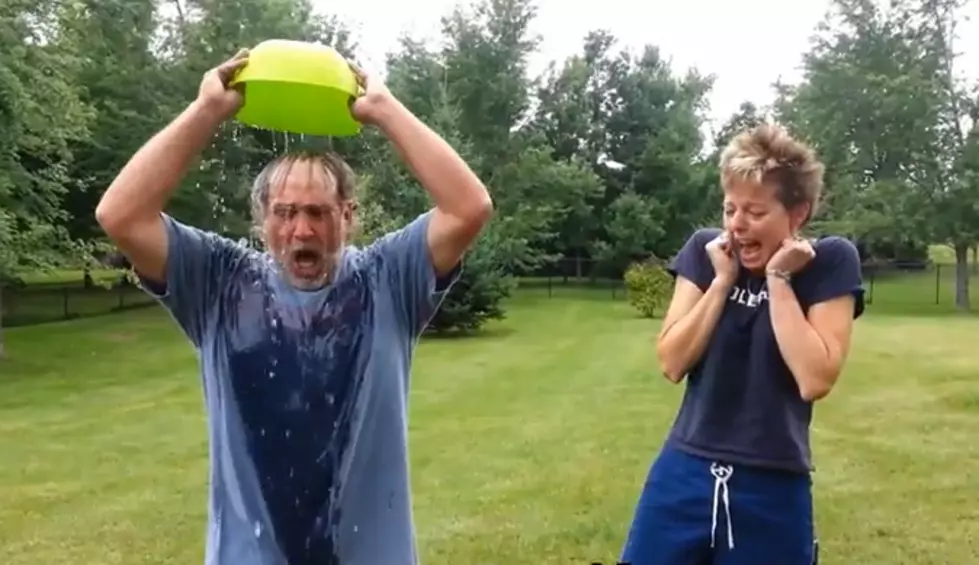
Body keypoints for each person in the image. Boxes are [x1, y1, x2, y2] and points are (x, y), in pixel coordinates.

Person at [95, 49, 492, 565]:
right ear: (262, 221)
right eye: (284, 213)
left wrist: (385, 109)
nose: (300, 230)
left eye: (317, 213)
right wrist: (206, 112)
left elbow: (470, 206)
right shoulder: (219, 282)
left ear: (348, 216)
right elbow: (119, 215)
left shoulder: (388, 279)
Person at [619, 123, 864, 565]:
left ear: (798, 213)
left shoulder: (830, 262)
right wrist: (722, 282)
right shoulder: (705, 252)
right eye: (730, 209)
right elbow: (672, 361)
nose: (736, 225)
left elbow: (814, 377)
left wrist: (779, 279)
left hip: (773, 482)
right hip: (684, 470)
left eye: (754, 212)